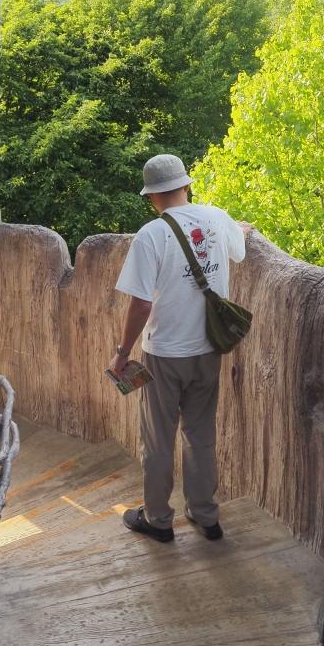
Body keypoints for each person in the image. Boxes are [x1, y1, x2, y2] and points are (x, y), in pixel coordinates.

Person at [109, 153, 251, 543]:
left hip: (165, 355)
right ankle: (205, 516)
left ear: (152, 197)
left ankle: (158, 520)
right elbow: (238, 249)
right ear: (187, 186)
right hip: (209, 349)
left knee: (158, 440)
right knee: (200, 435)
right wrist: (238, 230)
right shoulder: (218, 217)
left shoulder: (151, 235)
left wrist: (122, 352)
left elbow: (141, 304)